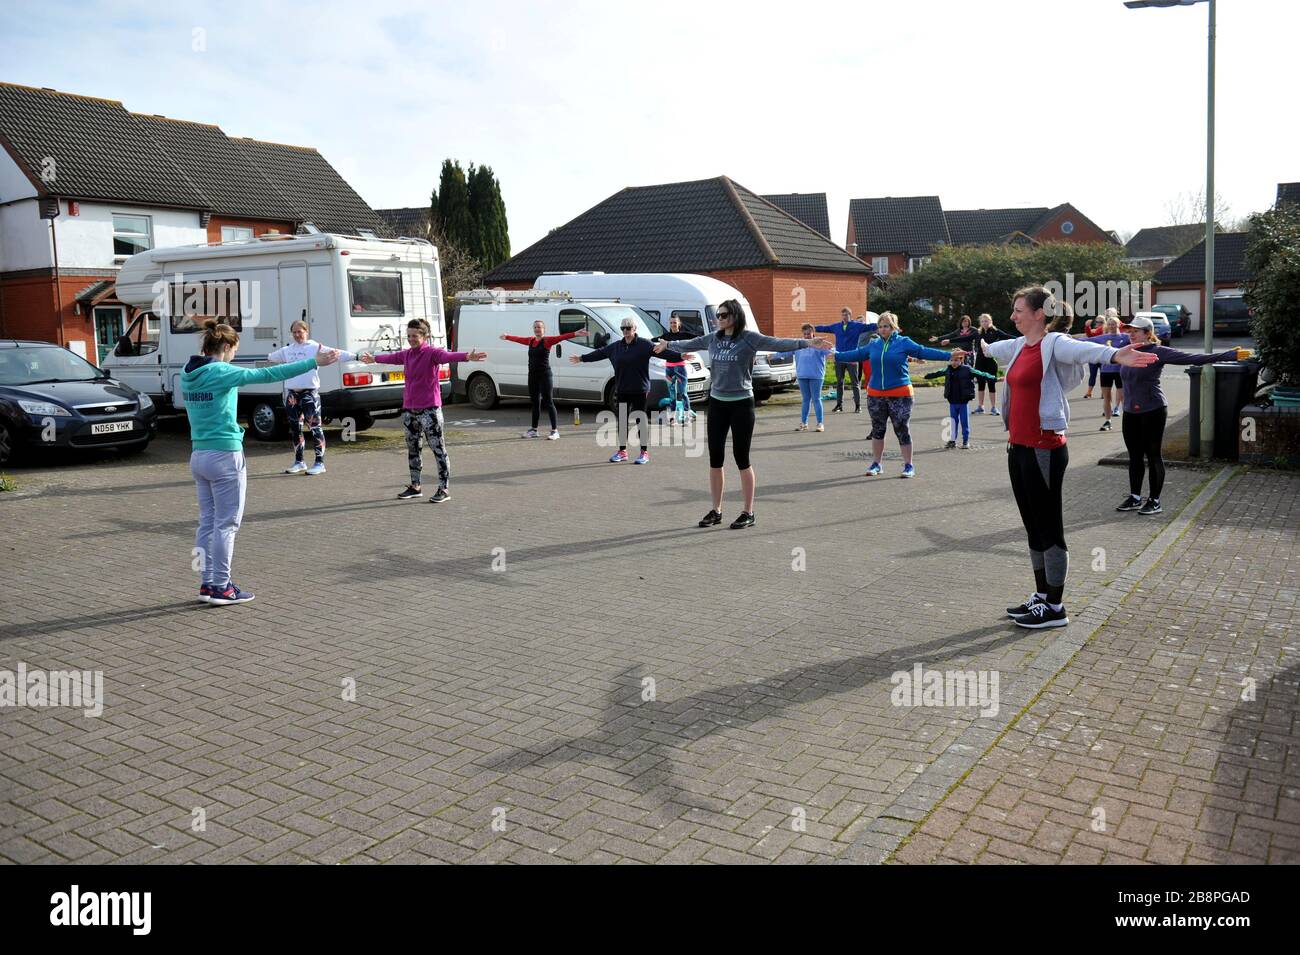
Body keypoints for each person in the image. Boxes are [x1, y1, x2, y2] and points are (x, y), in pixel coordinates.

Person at [980, 286, 1158, 629]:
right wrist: (976, 344)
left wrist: (1115, 356)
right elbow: (992, 348)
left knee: (1049, 527)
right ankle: (1042, 595)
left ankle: (1056, 607)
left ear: (1039, 314)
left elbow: (1083, 351)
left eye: (1019, 310)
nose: (1013, 316)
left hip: (1044, 447)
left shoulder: (1053, 343)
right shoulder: (1019, 346)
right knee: (1033, 527)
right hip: (1018, 447)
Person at [182, 320, 340, 605]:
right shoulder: (221, 371)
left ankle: (207, 583)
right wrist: (311, 362)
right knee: (226, 524)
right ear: (227, 347)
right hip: (224, 454)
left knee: (207, 522)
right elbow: (269, 374)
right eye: (233, 351)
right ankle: (221, 586)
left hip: (198, 454)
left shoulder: (187, 372)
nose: (233, 356)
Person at [652, 299, 831, 528]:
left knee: (741, 458)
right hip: (717, 403)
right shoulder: (713, 338)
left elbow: (777, 343)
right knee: (715, 458)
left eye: (724, 315)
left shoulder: (749, 337)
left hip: (741, 404)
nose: (720, 319)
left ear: (735, 316)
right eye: (718, 315)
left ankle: (748, 512)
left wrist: (807, 343)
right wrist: (668, 344)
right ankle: (716, 510)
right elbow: (690, 343)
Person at [1114, 314, 1247, 516]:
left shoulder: (1159, 352)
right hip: (1131, 412)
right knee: (1134, 456)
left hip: (1153, 410)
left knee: (1153, 455)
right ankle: (1134, 497)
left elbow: (1193, 358)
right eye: (1129, 331)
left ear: (1148, 333)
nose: (1131, 335)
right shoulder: (1126, 353)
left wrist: (1228, 355)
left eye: (1135, 331)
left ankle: (1155, 501)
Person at [361, 319, 486, 503]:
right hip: (410, 411)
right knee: (413, 449)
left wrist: (467, 356)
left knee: (438, 450)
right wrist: (374, 359)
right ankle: (415, 486)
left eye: (415, 336)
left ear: (424, 336)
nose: (411, 339)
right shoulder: (408, 354)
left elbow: (448, 357)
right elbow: (392, 357)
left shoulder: (432, 353)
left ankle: (444, 489)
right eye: (409, 336)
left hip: (430, 410)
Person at [832, 312, 957, 478]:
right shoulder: (874, 344)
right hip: (876, 394)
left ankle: (908, 465)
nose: (883, 329)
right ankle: (877, 464)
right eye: (881, 326)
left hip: (900, 394)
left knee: (902, 429)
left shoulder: (903, 342)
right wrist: (837, 355)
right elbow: (857, 354)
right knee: (878, 430)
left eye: (887, 326)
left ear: (893, 327)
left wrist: (948, 355)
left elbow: (922, 351)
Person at [572, 316, 682, 464]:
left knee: (640, 420)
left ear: (634, 329)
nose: (625, 331)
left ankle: (644, 453)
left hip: (640, 390)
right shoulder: (616, 346)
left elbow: (662, 353)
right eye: (623, 328)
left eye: (628, 328)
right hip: (622, 390)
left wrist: (680, 356)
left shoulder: (644, 345)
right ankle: (622, 451)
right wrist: (582, 358)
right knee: (622, 421)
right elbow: (599, 353)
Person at [268, 319, 356, 475]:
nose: (297, 335)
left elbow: (336, 353)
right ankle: (299, 461)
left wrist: (355, 356)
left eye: (300, 332)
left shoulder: (315, 347)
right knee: (295, 428)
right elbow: (271, 357)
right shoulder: (287, 350)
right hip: (292, 394)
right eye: (294, 332)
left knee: (315, 427)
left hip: (309, 393)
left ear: (306, 332)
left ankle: (319, 463)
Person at [498, 320, 579, 440]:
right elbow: (519, 339)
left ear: (543, 329)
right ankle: (534, 430)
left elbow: (561, 337)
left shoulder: (547, 341)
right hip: (532, 376)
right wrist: (507, 337)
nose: (537, 329)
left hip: (545, 376)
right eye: (535, 327)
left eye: (539, 327)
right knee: (535, 403)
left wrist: (575, 334)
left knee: (549, 402)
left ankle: (554, 431)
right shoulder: (530, 341)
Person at [924, 353, 997, 449]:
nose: (953, 362)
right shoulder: (948, 369)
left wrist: (993, 378)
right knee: (953, 422)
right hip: (952, 401)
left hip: (963, 402)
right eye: (952, 360)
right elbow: (937, 373)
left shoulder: (967, 369)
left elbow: (981, 374)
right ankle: (952, 441)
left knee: (964, 422)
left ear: (961, 360)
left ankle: (965, 441)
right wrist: (926, 376)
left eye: (956, 360)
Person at [815, 306, 876, 413]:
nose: (844, 317)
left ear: (850, 315)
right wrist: (813, 328)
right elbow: (825, 328)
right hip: (839, 358)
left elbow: (870, 326)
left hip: (852, 358)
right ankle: (839, 405)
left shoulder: (857, 326)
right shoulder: (837, 326)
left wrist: (882, 324)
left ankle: (858, 406)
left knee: (855, 382)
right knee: (840, 382)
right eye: (843, 315)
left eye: (846, 315)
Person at [774, 323, 830, 432]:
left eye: (809, 333)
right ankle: (804, 423)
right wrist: (775, 355)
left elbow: (830, 351)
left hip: (816, 376)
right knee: (805, 400)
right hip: (802, 375)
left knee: (816, 399)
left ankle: (820, 423)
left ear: (813, 333)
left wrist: (831, 349)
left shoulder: (819, 344)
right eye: (805, 334)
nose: (807, 336)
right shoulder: (799, 344)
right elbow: (787, 352)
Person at [658, 316, 699, 425]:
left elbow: (698, 338)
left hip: (680, 368)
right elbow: (654, 340)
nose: (673, 325)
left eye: (675, 323)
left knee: (683, 393)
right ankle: (672, 419)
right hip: (669, 368)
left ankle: (687, 418)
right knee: (672, 395)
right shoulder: (666, 336)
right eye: (671, 323)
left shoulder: (684, 335)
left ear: (679, 324)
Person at [1094, 311, 1129, 431]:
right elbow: (1085, 340)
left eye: (1113, 323)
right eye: (1109, 324)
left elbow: (1138, 342)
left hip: (1121, 370)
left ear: (1119, 324)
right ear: (1106, 326)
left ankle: (1128, 421)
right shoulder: (1102, 338)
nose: (1111, 326)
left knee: (1124, 396)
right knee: (1106, 397)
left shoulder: (1125, 337)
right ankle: (1108, 421)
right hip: (1105, 371)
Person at [972, 314, 1013, 415]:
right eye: (982, 321)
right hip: (979, 362)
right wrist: (948, 340)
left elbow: (1008, 337)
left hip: (991, 362)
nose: (984, 323)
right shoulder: (977, 333)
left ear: (990, 321)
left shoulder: (995, 332)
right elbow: (963, 338)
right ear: (980, 323)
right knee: (980, 384)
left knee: (991, 384)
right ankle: (980, 407)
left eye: (986, 321)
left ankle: (993, 407)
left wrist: (1024, 339)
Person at [1078, 314, 1106, 398]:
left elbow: (1091, 334)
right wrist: (1087, 326)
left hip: (1102, 355)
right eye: (1097, 322)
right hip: (1093, 355)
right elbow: (1090, 335)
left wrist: (1087, 326)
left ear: (1104, 323)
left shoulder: (1105, 331)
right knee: (1093, 374)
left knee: (1103, 375)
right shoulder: (1095, 331)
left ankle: (1103, 392)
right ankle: (1089, 392)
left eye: (1101, 322)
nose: (1099, 323)